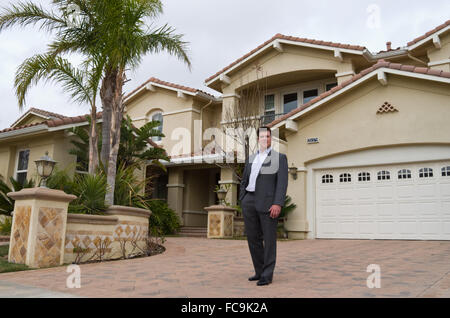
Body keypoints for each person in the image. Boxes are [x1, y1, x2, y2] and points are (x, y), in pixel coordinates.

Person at [239, 126, 289, 286]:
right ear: (258, 139)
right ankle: (259, 271)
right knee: (253, 239)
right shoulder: (250, 159)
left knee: (269, 239)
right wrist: (243, 198)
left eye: (268, 136)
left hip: (268, 204)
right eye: (262, 137)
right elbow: (244, 181)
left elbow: (282, 183)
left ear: (270, 139)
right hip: (249, 201)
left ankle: (267, 274)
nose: (265, 139)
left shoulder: (279, 158)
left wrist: (277, 203)